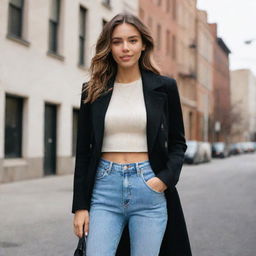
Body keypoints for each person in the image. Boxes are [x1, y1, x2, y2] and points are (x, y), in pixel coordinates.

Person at [72, 13, 192, 256]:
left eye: (132, 40)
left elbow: (178, 143)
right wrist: (80, 207)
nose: (125, 48)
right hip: (104, 189)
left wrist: (164, 180)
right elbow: (83, 151)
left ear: (143, 44)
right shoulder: (92, 90)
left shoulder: (164, 87)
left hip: (148, 188)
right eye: (117, 41)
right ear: (109, 46)